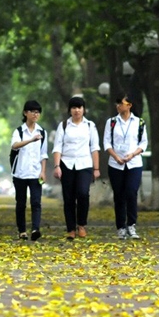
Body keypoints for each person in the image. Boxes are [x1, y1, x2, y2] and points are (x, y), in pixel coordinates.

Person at [52, 96, 100, 239]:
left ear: (84, 110)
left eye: (79, 107)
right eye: (74, 107)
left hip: (85, 165)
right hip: (66, 164)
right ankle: (71, 229)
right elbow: (57, 147)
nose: (76, 110)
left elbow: (95, 148)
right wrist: (57, 166)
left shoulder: (90, 126)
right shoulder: (64, 125)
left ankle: (82, 225)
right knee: (69, 198)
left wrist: (96, 169)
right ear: (70, 110)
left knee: (83, 194)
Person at [103, 94, 149, 239]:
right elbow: (106, 143)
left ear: (129, 105)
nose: (118, 106)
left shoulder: (139, 122)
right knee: (119, 195)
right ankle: (121, 226)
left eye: (121, 103)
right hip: (115, 164)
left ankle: (132, 225)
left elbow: (143, 143)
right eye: (117, 103)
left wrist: (132, 155)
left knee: (131, 192)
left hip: (134, 163)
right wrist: (116, 157)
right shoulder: (111, 122)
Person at [10, 100, 48, 241]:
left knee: (36, 202)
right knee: (21, 203)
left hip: (35, 172)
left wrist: (43, 171)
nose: (35, 114)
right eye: (32, 111)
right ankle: (22, 231)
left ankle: (35, 229)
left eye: (38, 112)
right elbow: (14, 146)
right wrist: (31, 140)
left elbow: (44, 154)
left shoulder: (42, 132)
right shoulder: (19, 131)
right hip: (20, 173)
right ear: (25, 113)